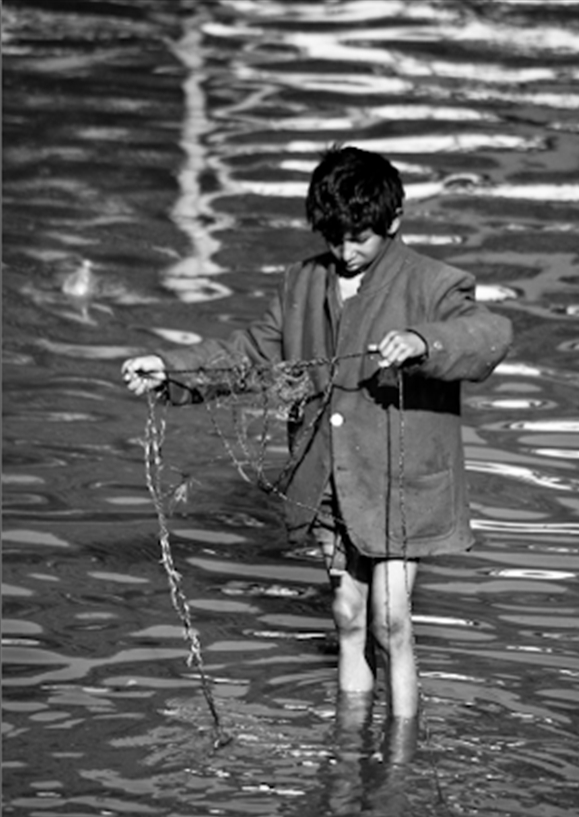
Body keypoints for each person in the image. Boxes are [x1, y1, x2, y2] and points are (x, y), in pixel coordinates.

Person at [122, 145, 512, 720]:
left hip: (401, 486)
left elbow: (488, 334)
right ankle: (350, 740)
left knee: (391, 620)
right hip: (327, 478)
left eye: (360, 238)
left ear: (394, 222)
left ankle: (400, 753)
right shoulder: (301, 282)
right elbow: (251, 355)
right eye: (334, 237)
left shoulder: (436, 282)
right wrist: (170, 371)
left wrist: (425, 343)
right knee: (349, 616)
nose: (346, 251)